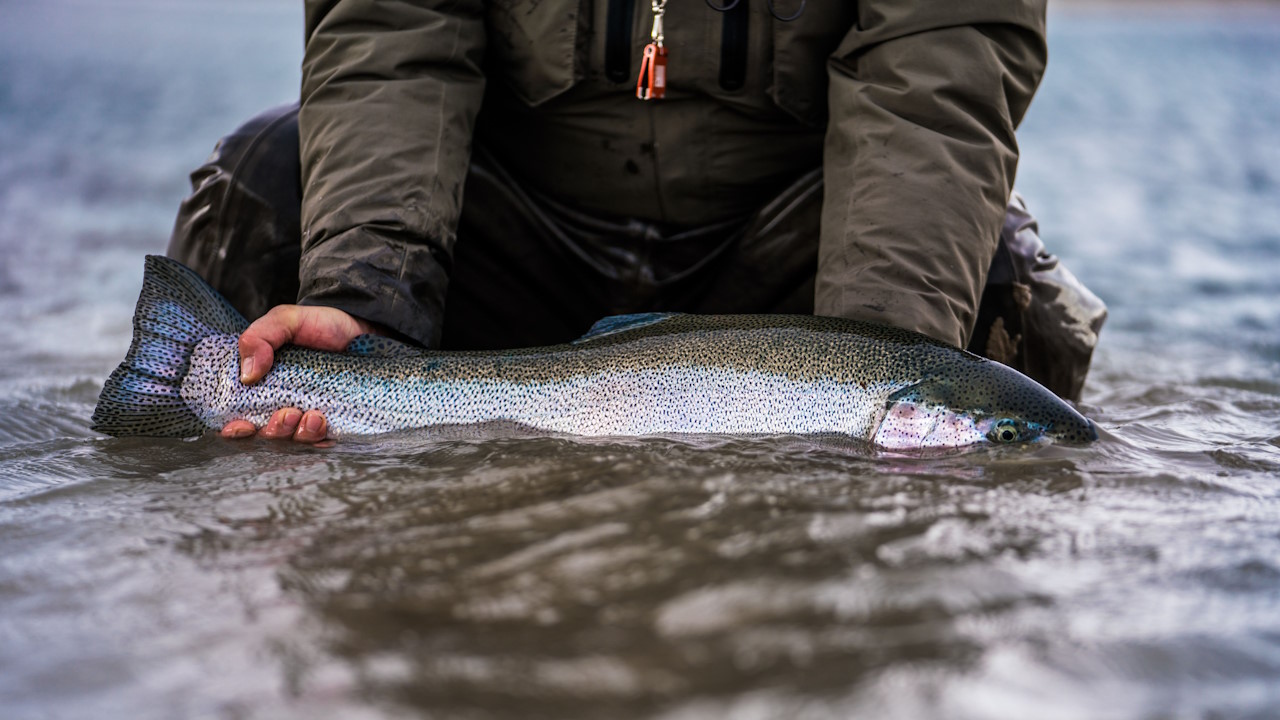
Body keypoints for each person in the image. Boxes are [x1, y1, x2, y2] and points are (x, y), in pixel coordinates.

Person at [167, 0, 1106, 444]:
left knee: (1003, 282)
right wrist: (361, 292)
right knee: (267, 180)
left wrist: (872, 362)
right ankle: (208, 400)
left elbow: (935, 76)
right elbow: (392, 30)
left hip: (787, 251)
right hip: (507, 232)